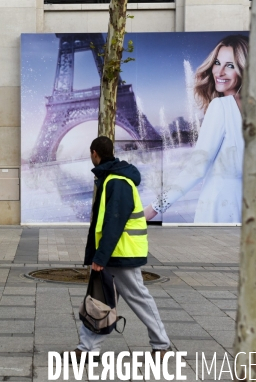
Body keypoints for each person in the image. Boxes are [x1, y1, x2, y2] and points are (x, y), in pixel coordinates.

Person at [75, 136, 170, 358]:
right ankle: (87, 348)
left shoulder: (116, 181)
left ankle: (162, 345)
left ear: (94, 153)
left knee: (136, 297)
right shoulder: (113, 179)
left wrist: (100, 256)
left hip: (121, 253)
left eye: (91, 154)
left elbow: (114, 222)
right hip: (116, 253)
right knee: (100, 300)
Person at [145, 35, 249, 223]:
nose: (220, 71)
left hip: (218, 206)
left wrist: (153, 208)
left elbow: (196, 169)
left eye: (230, 66)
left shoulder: (221, 106)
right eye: (217, 63)